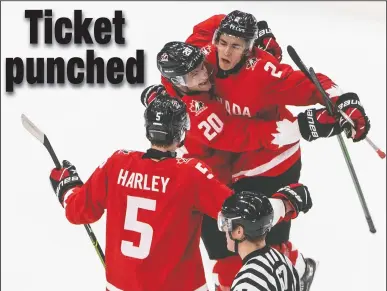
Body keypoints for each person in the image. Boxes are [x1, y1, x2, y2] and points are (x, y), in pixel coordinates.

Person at [183, 10, 371, 290]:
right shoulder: (201, 58)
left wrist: (343, 100)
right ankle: (287, 265)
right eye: (222, 42)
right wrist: (261, 27)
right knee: (224, 236)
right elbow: (179, 67)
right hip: (231, 161)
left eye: (236, 46)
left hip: (270, 160)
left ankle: (293, 266)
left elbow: (306, 85)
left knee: (256, 236)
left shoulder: (262, 71)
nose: (225, 51)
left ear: (248, 50)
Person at [48, 93, 313, 291]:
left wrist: (68, 186)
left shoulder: (117, 163)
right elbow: (242, 215)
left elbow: (77, 211)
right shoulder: (190, 173)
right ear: (183, 134)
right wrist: (285, 202)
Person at [141, 40, 347, 291]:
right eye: (194, 74)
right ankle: (295, 266)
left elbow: (213, 25)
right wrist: (302, 127)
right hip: (211, 183)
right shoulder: (197, 115)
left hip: (231, 176)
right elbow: (237, 134)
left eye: (202, 66)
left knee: (252, 242)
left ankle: (297, 267)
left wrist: (251, 35)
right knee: (230, 250)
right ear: (178, 82)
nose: (206, 74)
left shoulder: (195, 66)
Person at [218, 188, 308, 291]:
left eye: (226, 224)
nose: (224, 230)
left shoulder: (247, 283)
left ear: (239, 231)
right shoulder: (283, 261)